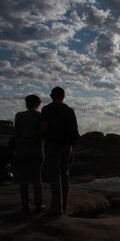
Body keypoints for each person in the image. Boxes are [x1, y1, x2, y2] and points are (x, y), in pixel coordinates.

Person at [41, 87, 79, 216]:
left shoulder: (46, 109)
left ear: (51, 96)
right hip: (67, 146)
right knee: (64, 175)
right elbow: (74, 130)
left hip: (52, 144)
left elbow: (44, 127)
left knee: (54, 175)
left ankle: (56, 207)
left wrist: (40, 139)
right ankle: (64, 206)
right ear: (63, 96)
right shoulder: (69, 110)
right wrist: (73, 147)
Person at [14, 95, 45, 214]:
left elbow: (16, 133)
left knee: (23, 179)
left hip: (22, 149)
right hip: (36, 150)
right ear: (37, 104)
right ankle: (38, 205)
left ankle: (25, 206)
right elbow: (43, 133)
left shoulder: (19, 115)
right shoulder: (40, 116)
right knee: (37, 178)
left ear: (26, 104)